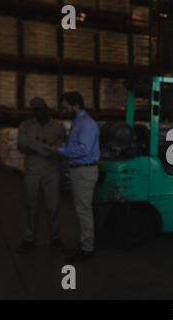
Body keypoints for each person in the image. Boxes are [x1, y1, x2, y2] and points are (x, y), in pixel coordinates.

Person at [47, 91, 100, 263]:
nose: (64, 111)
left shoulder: (87, 124)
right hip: (78, 170)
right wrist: (61, 145)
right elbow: (77, 146)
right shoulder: (78, 122)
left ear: (75, 104)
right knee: (81, 209)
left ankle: (87, 248)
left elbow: (84, 149)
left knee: (84, 211)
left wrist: (60, 150)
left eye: (65, 107)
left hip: (84, 171)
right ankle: (84, 243)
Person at [17, 97, 67, 252]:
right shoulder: (26, 126)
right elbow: (21, 146)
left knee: (53, 206)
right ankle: (29, 238)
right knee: (32, 206)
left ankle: (55, 237)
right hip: (32, 172)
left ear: (47, 109)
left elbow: (63, 146)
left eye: (41, 109)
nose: (38, 113)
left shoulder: (58, 127)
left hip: (51, 171)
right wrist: (42, 148)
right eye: (35, 110)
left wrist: (53, 150)